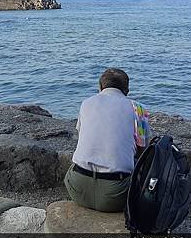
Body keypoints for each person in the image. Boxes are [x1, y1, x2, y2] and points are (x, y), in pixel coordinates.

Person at [64, 68, 151, 212]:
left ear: (100, 87)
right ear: (127, 90)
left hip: (77, 189)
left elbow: (82, 135)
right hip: (115, 197)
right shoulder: (137, 108)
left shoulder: (86, 103)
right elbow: (142, 149)